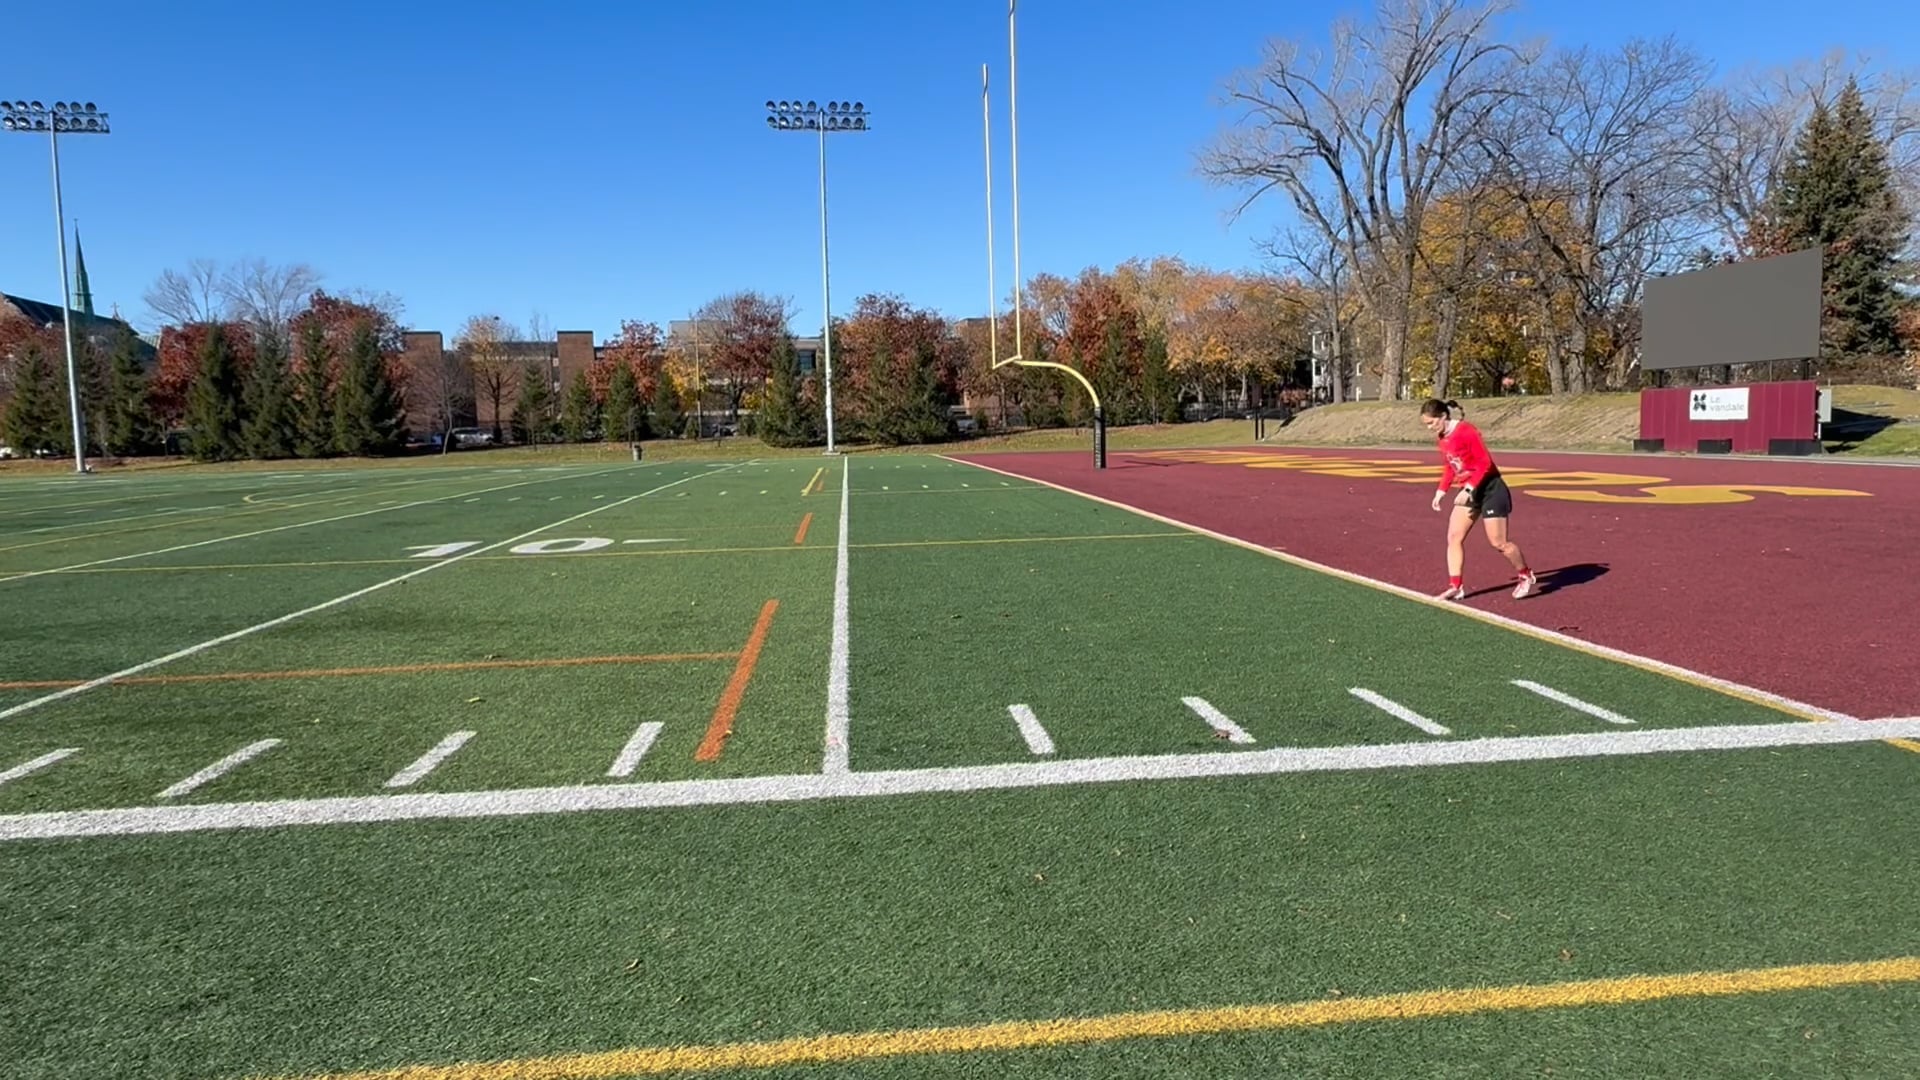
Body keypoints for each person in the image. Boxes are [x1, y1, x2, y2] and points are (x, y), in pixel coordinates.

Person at [1419, 398, 1537, 600]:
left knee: (1499, 543)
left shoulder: (1466, 431)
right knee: (1454, 537)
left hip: (1491, 489)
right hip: (1470, 490)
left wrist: (1469, 488)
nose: (1430, 427)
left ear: (1444, 416)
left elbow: (1485, 463)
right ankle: (1456, 585)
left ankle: (1525, 574)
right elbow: (1450, 466)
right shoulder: (1442, 438)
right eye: (1427, 424)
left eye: (1432, 422)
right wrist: (1441, 492)